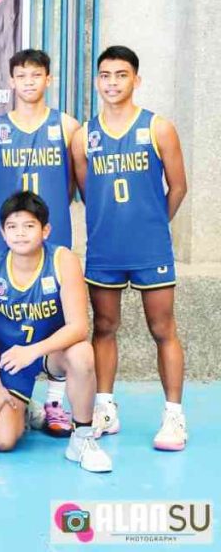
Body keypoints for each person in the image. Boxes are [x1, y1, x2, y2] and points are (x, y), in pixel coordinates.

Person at [72, 46, 188, 451]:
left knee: (162, 329)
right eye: (105, 75)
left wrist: (153, 224)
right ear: (96, 81)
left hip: (150, 248)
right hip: (105, 248)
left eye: (121, 75)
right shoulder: (84, 136)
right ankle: (105, 406)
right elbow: (89, 191)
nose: (112, 83)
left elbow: (178, 188)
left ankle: (173, 415)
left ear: (136, 80)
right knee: (103, 327)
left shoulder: (158, 128)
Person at [0, 191, 112, 472]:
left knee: (83, 354)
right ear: (2, 232)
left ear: (45, 230)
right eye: (12, 227)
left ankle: (82, 438)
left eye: (29, 226)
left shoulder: (63, 260)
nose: (20, 234)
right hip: (10, 361)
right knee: (2, 441)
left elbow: (78, 327)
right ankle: (24, 408)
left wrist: (33, 351)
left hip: (49, 353)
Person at [0, 48, 79, 436]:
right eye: (21, 76)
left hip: (49, 240)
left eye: (36, 75)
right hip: (9, 239)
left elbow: (73, 183)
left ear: (48, 80)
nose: (28, 82)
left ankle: (55, 403)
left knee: (56, 315)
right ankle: (12, 393)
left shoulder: (68, 126)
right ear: (11, 81)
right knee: (5, 315)